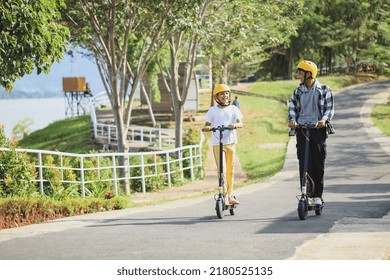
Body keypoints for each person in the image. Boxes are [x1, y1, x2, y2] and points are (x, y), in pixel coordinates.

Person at [288, 60, 334, 206]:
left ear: (309, 74)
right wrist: (292, 120)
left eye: (301, 73)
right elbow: (292, 108)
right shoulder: (297, 91)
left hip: (317, 130)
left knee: (317, 162)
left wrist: (324, 120)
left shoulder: (324, 89)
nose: (298, 75)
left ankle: (317, 196)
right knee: (304, 162)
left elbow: (329, 108)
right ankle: (305, 193)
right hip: (302, 129)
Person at [202, 84, 243, 205]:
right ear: (217, 97)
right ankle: (224, 195)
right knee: (222, 170)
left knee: (230, 170)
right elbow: (206, 124)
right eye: (222, 94)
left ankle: (230, 195)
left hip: (231, 143)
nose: (225, 96)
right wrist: (208, 128)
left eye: (226, 93)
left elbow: (241, 123)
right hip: (217, 144)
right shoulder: (212, 110)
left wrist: (234, 125)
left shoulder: (233, 109)